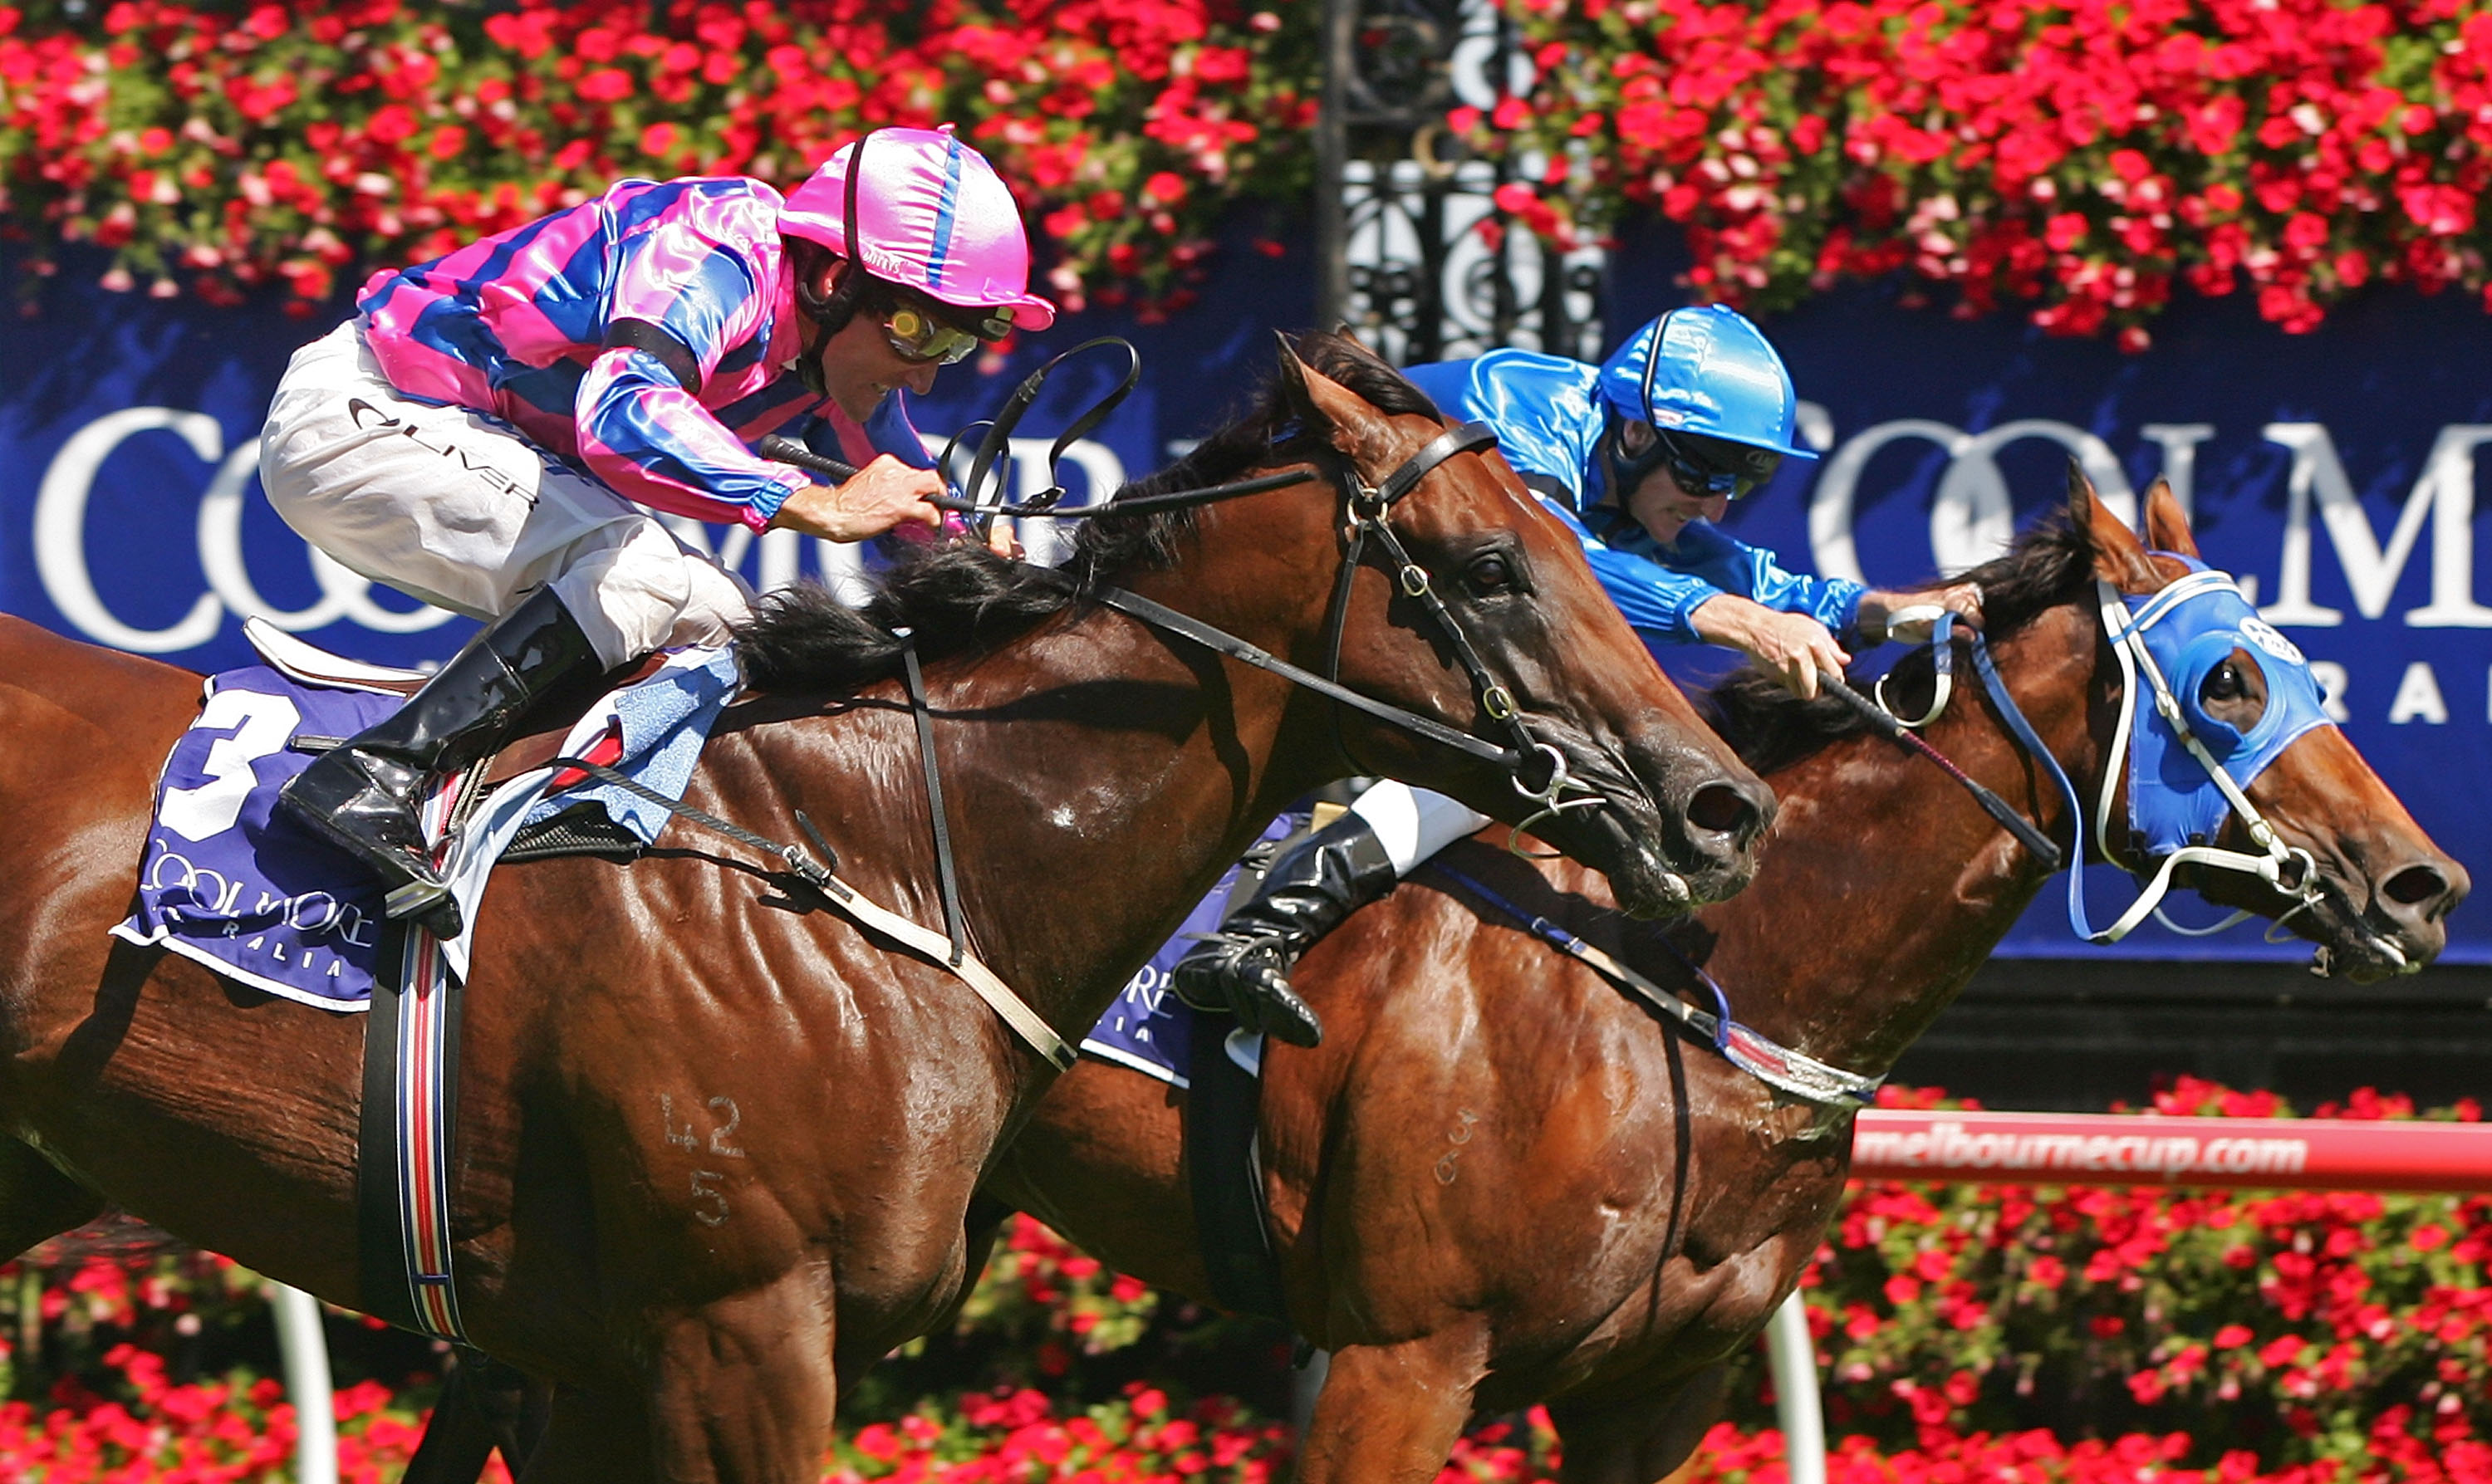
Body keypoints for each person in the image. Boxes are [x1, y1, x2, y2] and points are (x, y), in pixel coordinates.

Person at [258, 125, 1053, 938]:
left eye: (954, 343)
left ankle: (558, 846)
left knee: (724, 631)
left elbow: (906, 489)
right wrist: (812, 503)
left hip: (458, 432)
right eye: (917, 331)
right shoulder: (717, 253)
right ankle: (374, 776)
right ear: (835, 279)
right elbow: (624, 409)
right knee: (636, 568)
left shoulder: (833, 349)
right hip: (367, 410)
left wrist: (981, 560)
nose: (924, 371)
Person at [1175, 304, 1982, 1046]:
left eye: (1747, 478)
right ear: (1633, 436)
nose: (1719, 505)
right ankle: (1266, 926)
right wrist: (1726, 617)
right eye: (1707, 473)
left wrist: (1885, 611)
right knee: (1512, 738)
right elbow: (1557, 568)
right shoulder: (1515, 407)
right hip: (1254, 609)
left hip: (1350, 631)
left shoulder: (1638, 468)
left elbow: (1762, 583)